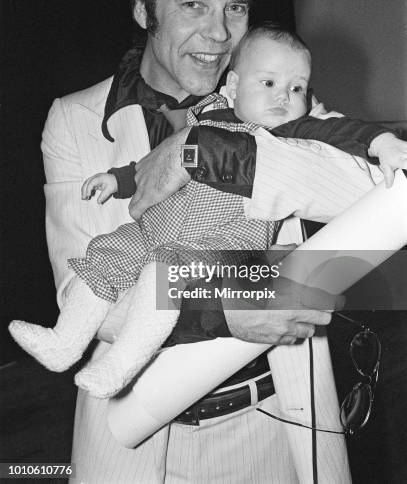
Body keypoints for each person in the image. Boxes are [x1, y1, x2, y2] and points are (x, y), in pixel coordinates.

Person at [31, 0, 402, 482]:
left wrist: (197, 149)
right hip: (133, 436)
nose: (221, 34)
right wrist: (239, 301)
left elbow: (379, 192)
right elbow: (84, 294)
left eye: (237, 8)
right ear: (142, 8)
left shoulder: (280, 97)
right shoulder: (74, 119)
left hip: (274, 420)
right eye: (192, 5)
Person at [10, 25, 407, 402]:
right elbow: (156, 166)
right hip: (161, 223)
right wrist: (120, 180)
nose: (283, 97)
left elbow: (343, 133)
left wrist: (383, 142)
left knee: (164, 274)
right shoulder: (209, 110)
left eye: (297, 88)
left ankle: (120, 367)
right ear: (233, 86)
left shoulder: (293, 129)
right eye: (268, 83)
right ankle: (64, 343)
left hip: (226, 236)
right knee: (108, 252)